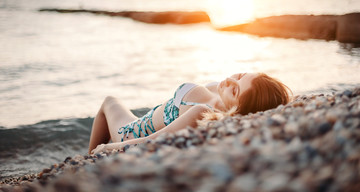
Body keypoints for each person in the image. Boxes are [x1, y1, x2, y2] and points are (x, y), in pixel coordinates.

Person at [89, 73, 291, 154]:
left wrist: (108, 147)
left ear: (237, 109)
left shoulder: (202, 112)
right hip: (141, 121)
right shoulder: (218, 92)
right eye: (240, 75)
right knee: (110, 102)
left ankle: (88, 159)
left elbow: (153, 140)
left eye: (235, 89)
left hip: (130, 133)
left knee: (109, 101)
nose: (230, 80)